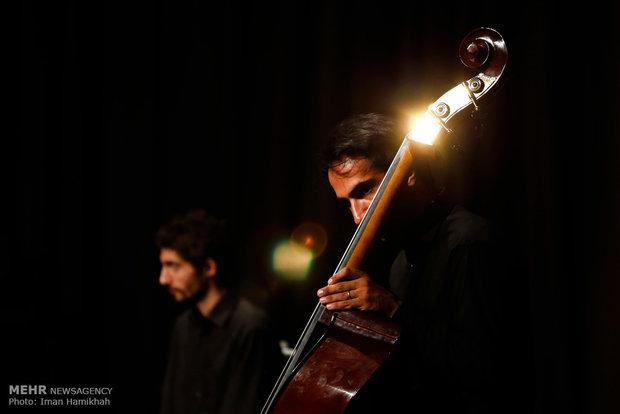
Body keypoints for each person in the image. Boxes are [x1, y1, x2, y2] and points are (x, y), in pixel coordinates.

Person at [316, 113, 510, 413]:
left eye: (364, 190)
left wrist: (393, 309)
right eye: (347, 203)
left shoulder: (470, 240)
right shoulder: (400, 260)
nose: (357, 217)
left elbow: (489, 369)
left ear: (408, 172)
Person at [157, 209, 282, 414]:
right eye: (163, 266)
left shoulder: (250, 328)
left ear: (208, 267)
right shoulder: (183, 325)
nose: (163, 279)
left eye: (173, 266)